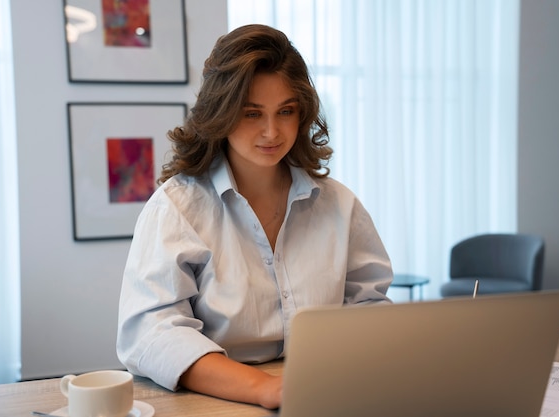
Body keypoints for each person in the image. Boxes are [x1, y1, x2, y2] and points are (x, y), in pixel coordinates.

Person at [116, 24, 393, 410]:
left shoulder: (339, 205)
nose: (271, 131)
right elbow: (151, 333)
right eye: (252, 113)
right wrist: (267, 389)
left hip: (326, 395)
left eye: (286, 111)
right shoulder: (177, 207)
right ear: (222, 113)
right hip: (218, 401)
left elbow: (370, 306)